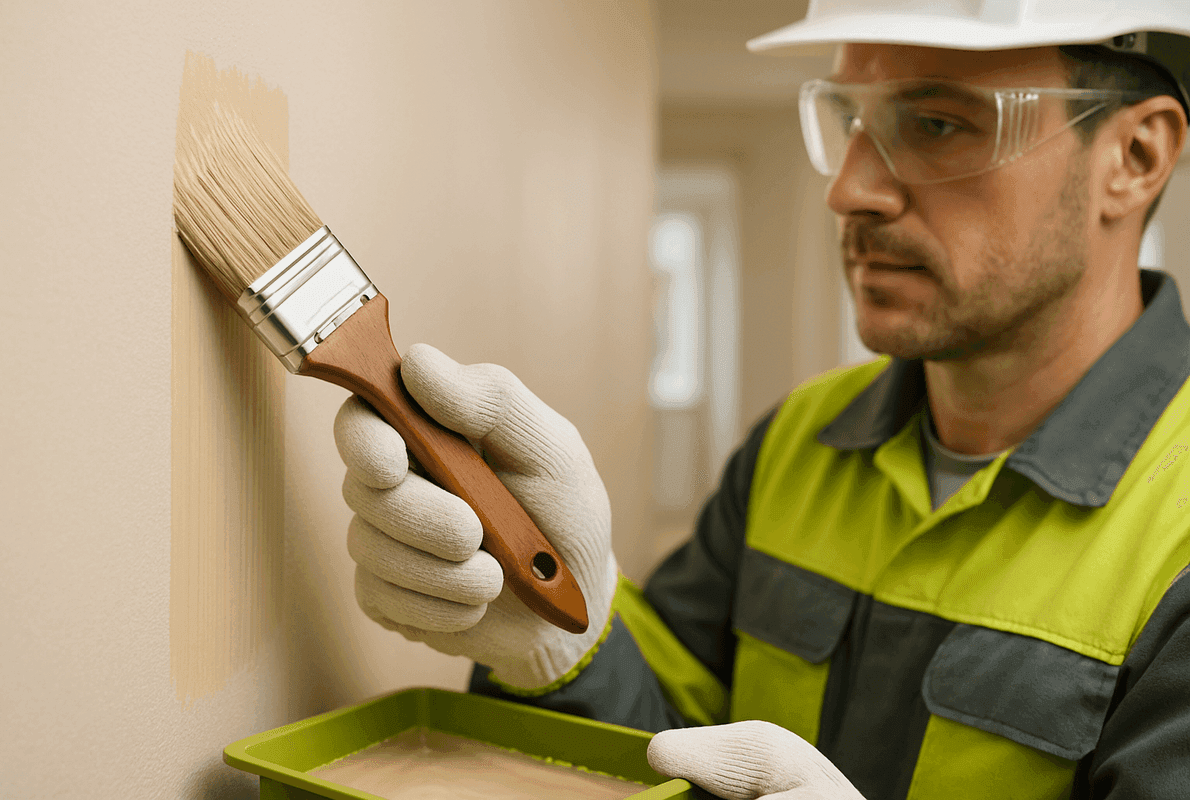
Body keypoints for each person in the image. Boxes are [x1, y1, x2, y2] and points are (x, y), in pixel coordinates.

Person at [331, 2, 1190, 797]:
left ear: (1135, 158)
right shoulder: (801, 439)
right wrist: (565, 651)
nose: (850, 190)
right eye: (851, 121)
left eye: (936, 124)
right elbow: (673, 739)